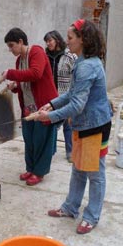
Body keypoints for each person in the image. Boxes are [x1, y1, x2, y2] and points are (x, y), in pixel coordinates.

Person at [36, 19, 112, 234]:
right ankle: (70, 208)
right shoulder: (83, 60)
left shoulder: (87, 66)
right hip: (84, 124)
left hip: (94, 126)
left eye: (70, 38)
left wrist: (49, 117)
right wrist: (51, 103)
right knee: (78, 168)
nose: (66, 42)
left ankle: (92, 216)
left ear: (83, 39)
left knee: (94, 174)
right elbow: (72, 93)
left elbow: (77, 105)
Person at [0, 27, 58, 186]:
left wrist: (10, 73)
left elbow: (36, 73)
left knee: (41, 141)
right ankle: (30, 168)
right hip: (28, 107)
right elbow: (25, 83)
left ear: (20, 41)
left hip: (43, 107)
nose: (10, 49)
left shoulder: (37, 52)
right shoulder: (19, 60)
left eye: (12, 45)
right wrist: (15, 86)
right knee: (29, 140)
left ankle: (39, 172)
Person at [44, 30, 77, 162]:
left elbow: (76, 75)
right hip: (51, 97)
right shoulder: (45, 55)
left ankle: (70, 152)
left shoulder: (69, 56)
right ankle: (50, 151)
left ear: (57, 40)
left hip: (66, 94)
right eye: (46, 41)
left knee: (68, 125)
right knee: (51, 124)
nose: (48, 43)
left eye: (50, 40)